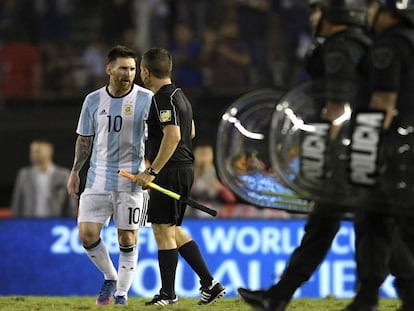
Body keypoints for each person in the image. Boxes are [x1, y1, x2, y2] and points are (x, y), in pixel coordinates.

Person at [237, 1, 372, 310]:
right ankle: (280, 295)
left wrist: (327, 152)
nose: (312, 18)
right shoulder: (361, 44)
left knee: (367, 224)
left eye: (318, 11)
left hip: (347, 153)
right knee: (332, 225)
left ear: (337, 15)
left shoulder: (340, 47)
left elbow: (337, 107)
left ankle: (371, 296)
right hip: (363, 145)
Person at [134, 47, 226, 306]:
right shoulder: (180, 96)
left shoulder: (161, 98)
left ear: (146, 72)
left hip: (170, 170)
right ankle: (210, 283)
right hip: (184, 168)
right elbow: (191, 132)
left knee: (162, 230)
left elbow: (173, 135)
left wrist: (151, 171)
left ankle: (168, 295)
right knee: (173, 229)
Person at [66, 45, 153, 306]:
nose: (129, 73)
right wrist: (75, 171)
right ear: (109, 69)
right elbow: (84, 139)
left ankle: (122, 295)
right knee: (87, 234)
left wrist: (152, 170)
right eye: (123, 68)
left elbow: (165, 134)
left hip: (132, 180)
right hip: (97, 177)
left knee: (127, 238)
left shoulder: (147, 98)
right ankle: (110, 277)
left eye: (133, 69)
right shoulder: (93, 100)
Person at [344, 1, 414, 310]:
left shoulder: (387, 46)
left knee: (376, 218)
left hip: (389, 149)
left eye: (372, 6)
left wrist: (366, 151)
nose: (367, 13)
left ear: (387, 11)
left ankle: (370, 295)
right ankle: (375, 294)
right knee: (386, 220)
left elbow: (383, 103)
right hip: (408, 146)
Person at [11, 139, 76, 218]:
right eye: (32, 151)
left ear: (49, 152)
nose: (34, 154)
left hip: (54, 222)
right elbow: (17, 203)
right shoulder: (24, 175)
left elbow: (70, 204)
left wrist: (68, 222)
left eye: (38, 151)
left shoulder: (63, 175)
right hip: (29, 222)